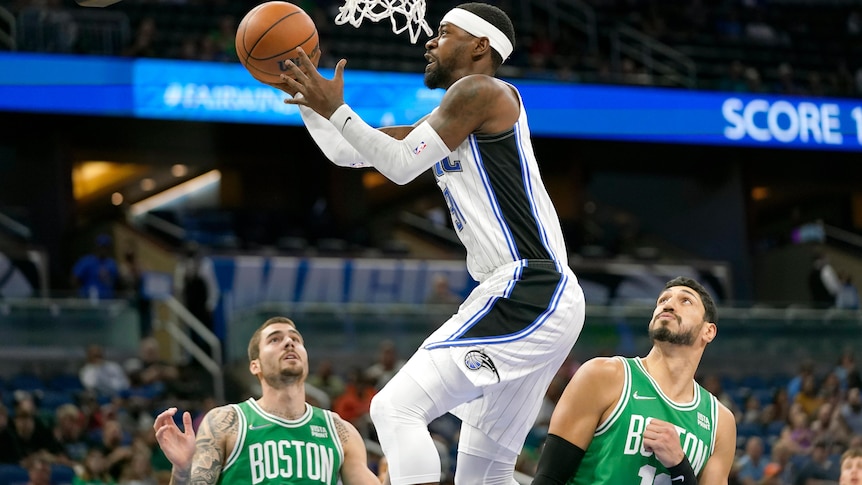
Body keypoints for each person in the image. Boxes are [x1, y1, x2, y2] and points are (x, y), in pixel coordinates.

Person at [277, 3, 586, 483]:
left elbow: (399, 165)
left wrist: (335, 108)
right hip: (531, 294)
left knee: (396, 408)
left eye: (444, 32)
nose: (429, 41)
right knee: (484, 469)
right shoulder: (455, 116)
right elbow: (348, 151)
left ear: (480, 46)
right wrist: (308, 100)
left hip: (530, 285)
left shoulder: (482, 91)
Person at [531, 277, 736, 484]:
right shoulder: (603, 375)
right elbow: (549, 477)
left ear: (708, 331)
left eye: (685, 301)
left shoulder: (720, 422)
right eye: (663, 300)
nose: (669, 304)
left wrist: (680, 466)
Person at [151, 316, 381, 484]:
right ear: (255, 365)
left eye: (296, 339)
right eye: (275, 340)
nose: (289, 343)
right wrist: (182, 470)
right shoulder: (227, 422)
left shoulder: (340, 431)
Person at [72, 233, 120, 300]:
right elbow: (75, 279)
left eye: (106, 247)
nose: (103, 250)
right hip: (90, 301)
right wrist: (81, 294)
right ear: (97, 247)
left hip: (108, 301)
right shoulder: (86, 261)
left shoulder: (112, 263)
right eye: (102, 247)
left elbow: (117, 282)